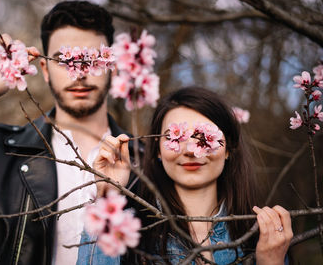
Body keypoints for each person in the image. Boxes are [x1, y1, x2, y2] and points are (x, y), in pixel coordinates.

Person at [0, 0, 140, 265]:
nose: (80, 73)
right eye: (65, 60)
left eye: (91, 59)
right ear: (46, 70)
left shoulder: (150, 161)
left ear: (112, 67)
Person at [79, 87, 293, 264]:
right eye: (176, 138)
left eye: (203, 137)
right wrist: (107, 196)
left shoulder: (265, 237)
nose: (190, 150)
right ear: (158, 151)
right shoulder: (129, 232)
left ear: (227, 148)